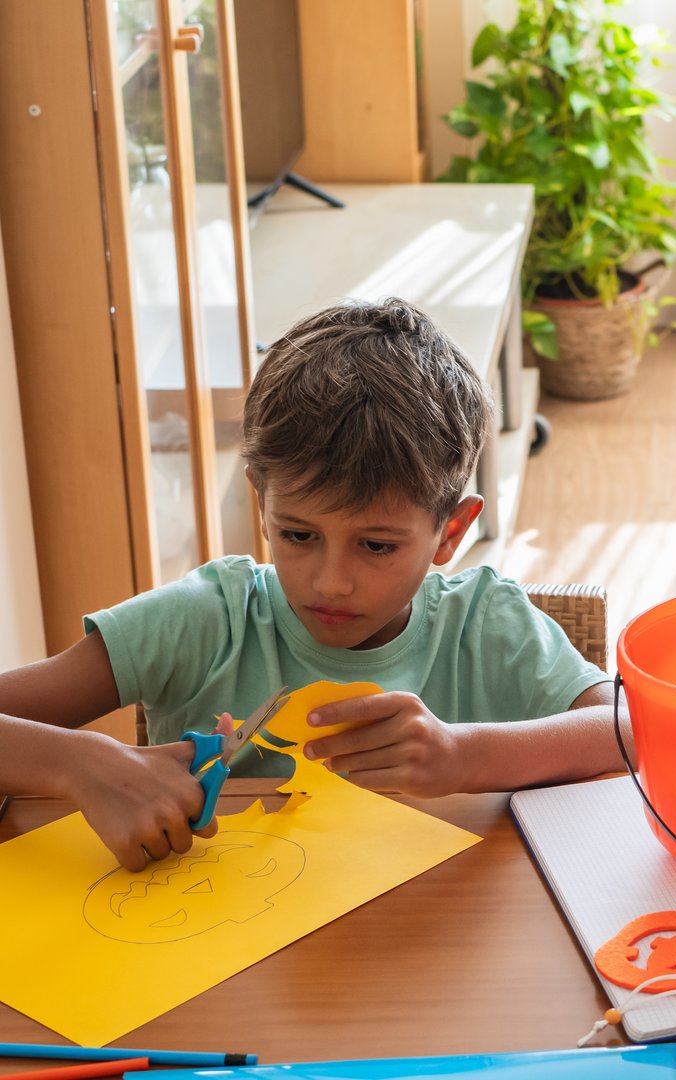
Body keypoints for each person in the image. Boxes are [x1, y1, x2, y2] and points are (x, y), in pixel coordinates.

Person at [0, 299, 620, 868]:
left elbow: (634, 729)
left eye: (376, 546)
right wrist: (81, 762)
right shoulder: (204, 620)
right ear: (260, 501)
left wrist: (462, 755)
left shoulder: (487, 627)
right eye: (297, 535)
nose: (331, 582)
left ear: (451, 532)